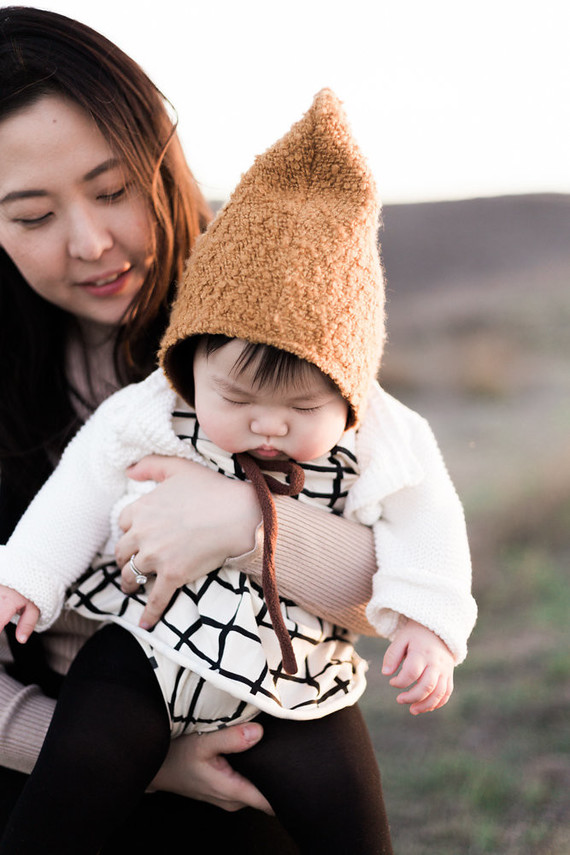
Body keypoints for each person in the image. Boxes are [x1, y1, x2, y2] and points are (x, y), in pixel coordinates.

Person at [0, 87, 476, 853]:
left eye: (113, 191)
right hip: (131, 671)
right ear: (189, 364)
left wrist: (424, 619)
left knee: (344, 814)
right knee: (78, 777)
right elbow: (81, 485)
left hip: (286, 678)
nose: (269, 425)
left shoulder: (373, 419)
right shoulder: (150, 405)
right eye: (31, 214)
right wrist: (25, 574)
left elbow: (425, 524)